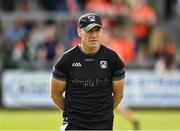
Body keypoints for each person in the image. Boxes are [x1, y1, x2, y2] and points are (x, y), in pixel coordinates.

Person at [50, 13, 125, 130]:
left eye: (97, 30)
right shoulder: (66, 59)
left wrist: (102, 114)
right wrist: (74, 114)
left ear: (102, 32)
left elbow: (119, 95)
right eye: (89, 31)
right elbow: (55, 95)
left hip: (103, 126)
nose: (94, 35)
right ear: (79, 32)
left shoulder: (112, 59)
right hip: (74, 125)